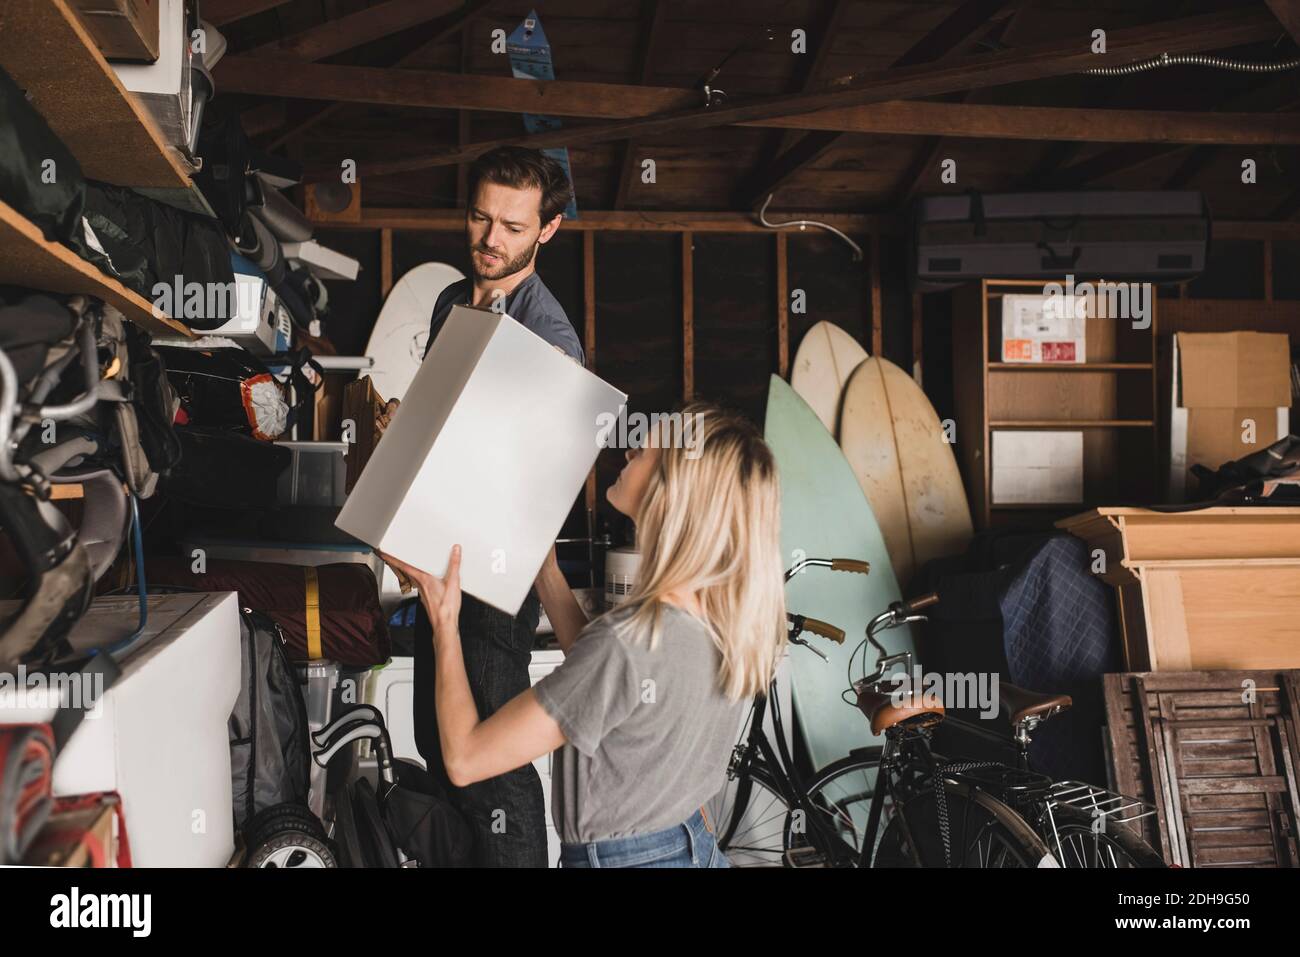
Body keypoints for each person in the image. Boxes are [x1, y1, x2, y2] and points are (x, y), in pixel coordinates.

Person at [382, 403, 787, 868]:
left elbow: (465, 758)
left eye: (649, 448)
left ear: (672, 491)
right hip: (690, 847)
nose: (632, 447)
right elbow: (608, 689)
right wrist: (548, 574)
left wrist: (444, 620)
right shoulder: (725, 620)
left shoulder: (628, 642)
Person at [386, 146, 584, 867]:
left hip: (495, 581)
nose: (490, 238)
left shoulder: (551, 341)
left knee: (490, 774)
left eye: (510, 224)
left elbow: (540, 481)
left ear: (547, 230)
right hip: (441, 560)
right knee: (439, 752)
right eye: (479, 216)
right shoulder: (450, 301)